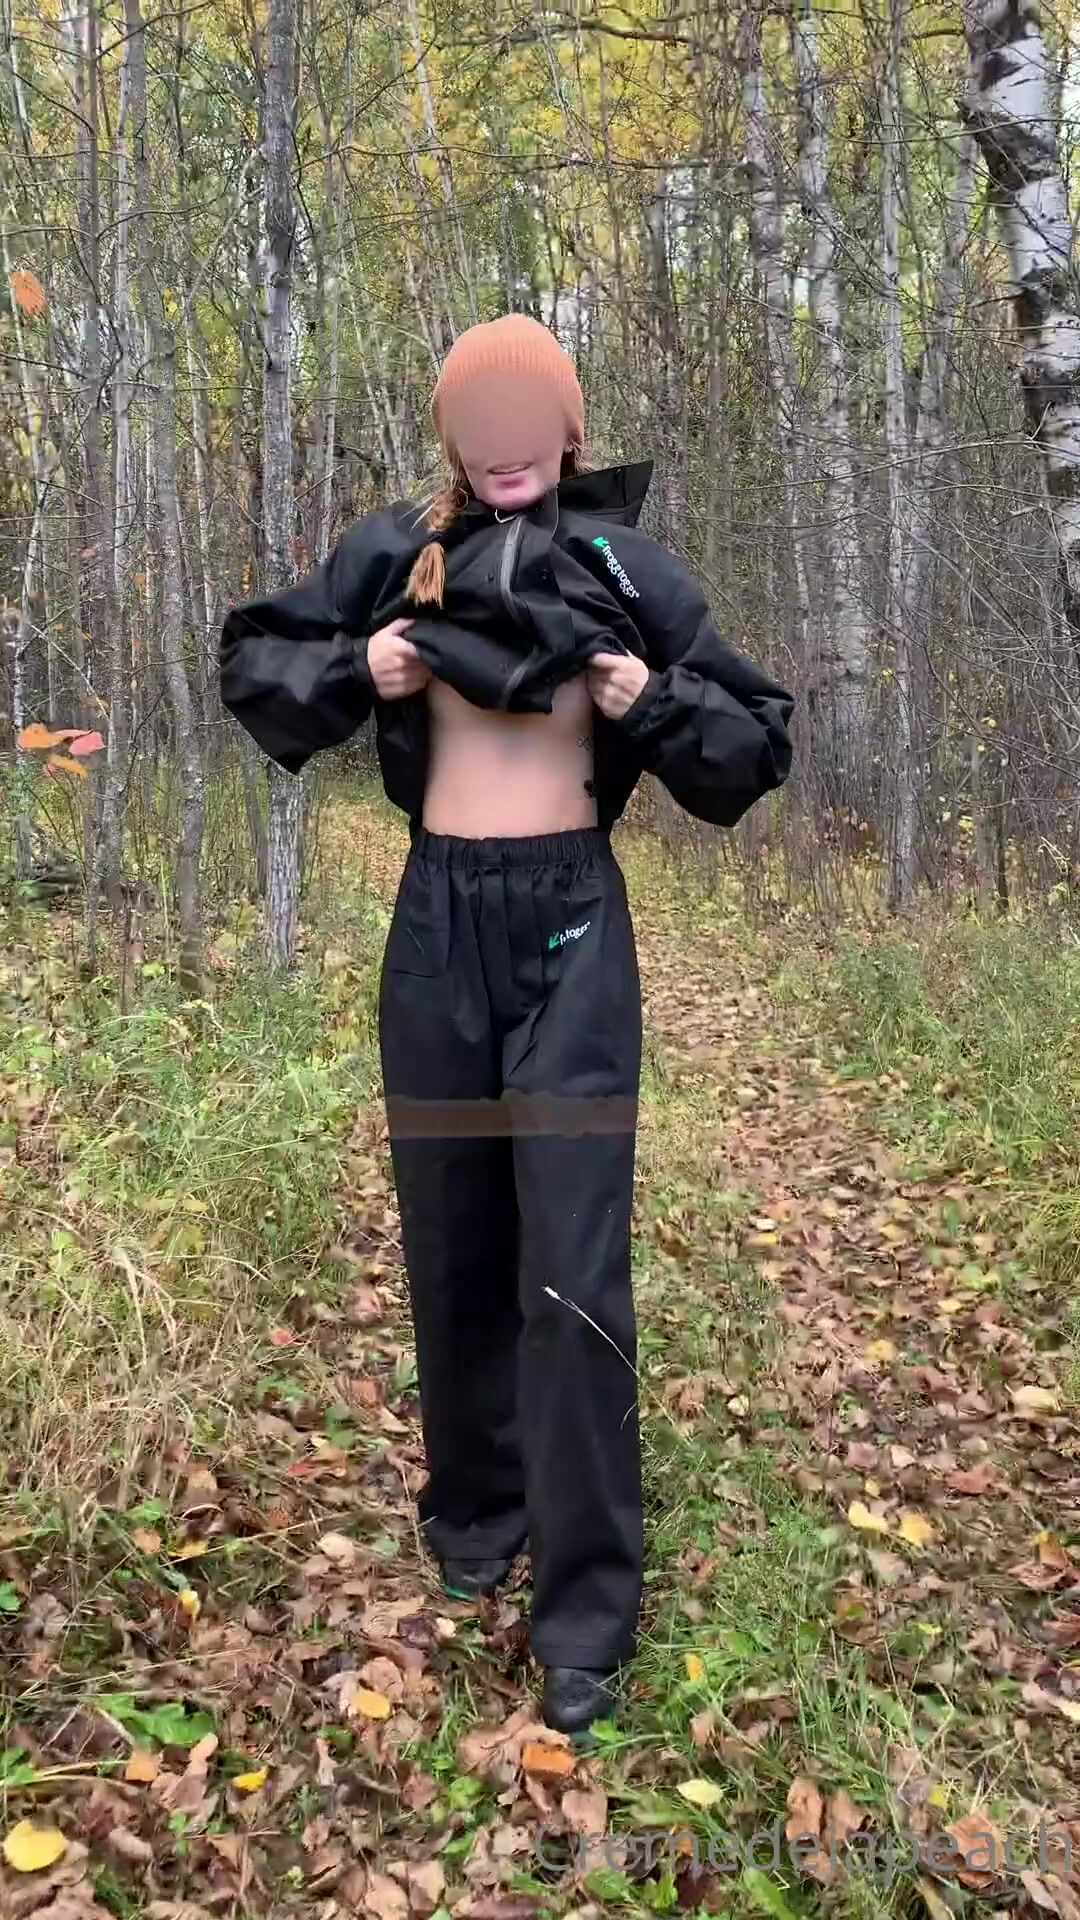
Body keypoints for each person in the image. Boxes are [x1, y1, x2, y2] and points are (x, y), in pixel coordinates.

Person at [221, 314, 794, 1734]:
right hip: (437, 931)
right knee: (455, 1235)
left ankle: (586, 1608)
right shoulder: (395, 551)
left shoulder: (624, 566)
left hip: (571, 931)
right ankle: (477, 1513)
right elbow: (256, 664)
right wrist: (365, 670)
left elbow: (753, 739)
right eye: (480, 417)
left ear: (567, 426)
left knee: (575, 1267)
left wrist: (649, 697)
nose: (506, 442)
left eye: (529, 413)